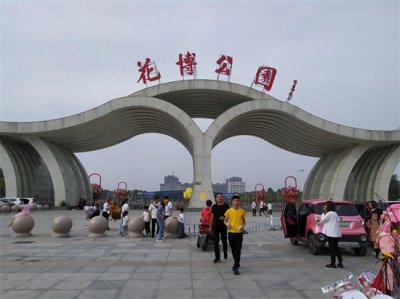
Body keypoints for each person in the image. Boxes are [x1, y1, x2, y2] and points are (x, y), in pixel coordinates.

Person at [224, 195, 246, 275]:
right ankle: (237, 262)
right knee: (233, 249)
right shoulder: (229, 211)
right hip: (231, 233)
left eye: (238, 201)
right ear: (232, 202)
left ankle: (235, 267)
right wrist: (227, 225)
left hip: (239, 233)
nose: (237, 202)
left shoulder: (242, 211)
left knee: (237, 249)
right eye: (235, 200)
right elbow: (225, 221)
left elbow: (244, 221)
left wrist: (242, 226)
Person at [320, 201, 343, 268]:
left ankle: (333, 263)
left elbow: (322, 221)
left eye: (325, 206)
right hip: (336, 234)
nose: (325, 207)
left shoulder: (329, 213)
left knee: (332, 249)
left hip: (331, 234)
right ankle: (340, 262)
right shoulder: (335, 213)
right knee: (336, 248)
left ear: (328, 207)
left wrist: (323, 213)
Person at [209, 193, 229, 263]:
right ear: (216, 198)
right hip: (216, 226)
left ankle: (225, 251)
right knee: (216, 242)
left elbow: (229, 216)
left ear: (222, 198)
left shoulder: (226, 206)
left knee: (224, 241)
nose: (219, 198)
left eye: (221, 197)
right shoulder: (214, 206)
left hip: (223, 226)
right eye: (218, 197)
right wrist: (210, 226)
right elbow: (212, 217)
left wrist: (224, 218)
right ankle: (217, 257)